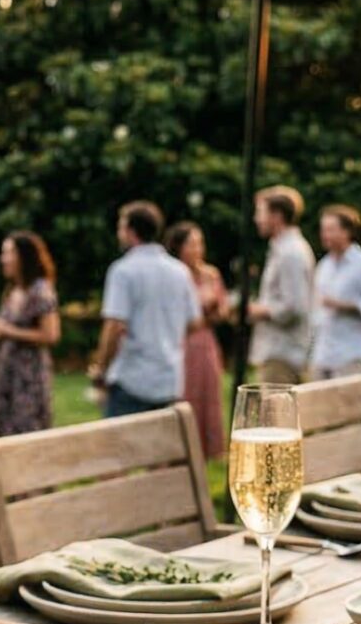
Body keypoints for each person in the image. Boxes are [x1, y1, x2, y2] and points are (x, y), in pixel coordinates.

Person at [88, 200, 199, 420]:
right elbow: (194, 322)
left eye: (121, 227)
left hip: (132, 378)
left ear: (130, 231)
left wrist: (101, 368)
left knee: (119, 450)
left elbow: (114, 325)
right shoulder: (180, 271)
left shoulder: (123, 270)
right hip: (169, 378)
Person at [164, 221, 233, 458]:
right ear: (179, 247)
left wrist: (216, 309)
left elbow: (223, 310)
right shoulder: (174, 275)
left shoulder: (210, 274)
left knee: (208, 394)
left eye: (199, 244)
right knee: (186, 395)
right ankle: (183, 448)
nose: (197, 250)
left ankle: (209, 449)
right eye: (191, 244)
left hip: (205, 342)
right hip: (182, 342)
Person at [0, 230, 61, 437]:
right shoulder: (12, 290)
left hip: (29, 377)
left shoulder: (40, 290)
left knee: (28, 432)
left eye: (8, 253)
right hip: (8, 373)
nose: (3, 259)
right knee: (3, 433)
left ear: (23, 256)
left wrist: (6, 330)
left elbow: (51, 335)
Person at [307, 203, 361, 382]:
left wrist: (345, 305)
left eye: (330, 230)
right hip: (322, 355)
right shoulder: (324, 266)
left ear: (347, 232)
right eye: (323, 230)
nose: (324, 235)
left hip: (350, 356)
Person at [246, 185, 314, 386]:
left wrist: (257, 310)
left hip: (283, 354)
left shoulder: (290, 253)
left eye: (260, 212)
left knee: (276, 417)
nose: (256, 219)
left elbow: (294, 307)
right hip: (277, 351)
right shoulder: (282, 249)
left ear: (276, 216)